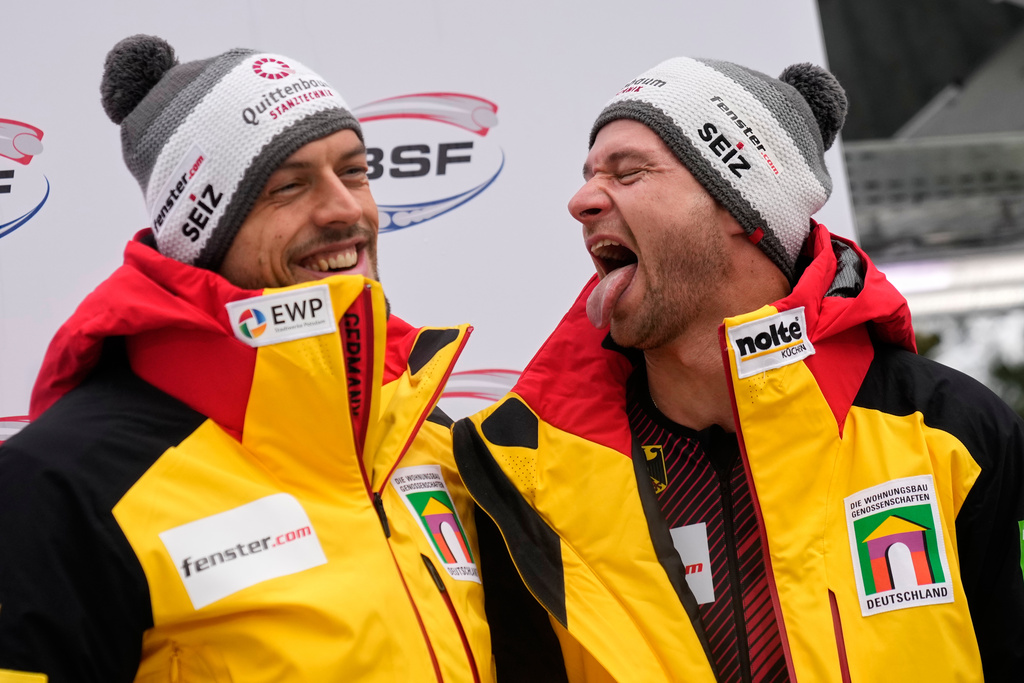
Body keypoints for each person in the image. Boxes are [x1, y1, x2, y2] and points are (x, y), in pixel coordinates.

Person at [454, 56, 1024, 682]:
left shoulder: (948, 432)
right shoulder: (526, 474)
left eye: (628, 173)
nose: (582, 201)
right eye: (590, 175)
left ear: (738, 206)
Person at [0, 35, 491, 683]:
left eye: (354, 170)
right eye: (288, 186)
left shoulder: (426, 435)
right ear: (204, 231)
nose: (347, 209)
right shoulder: (61, 482)